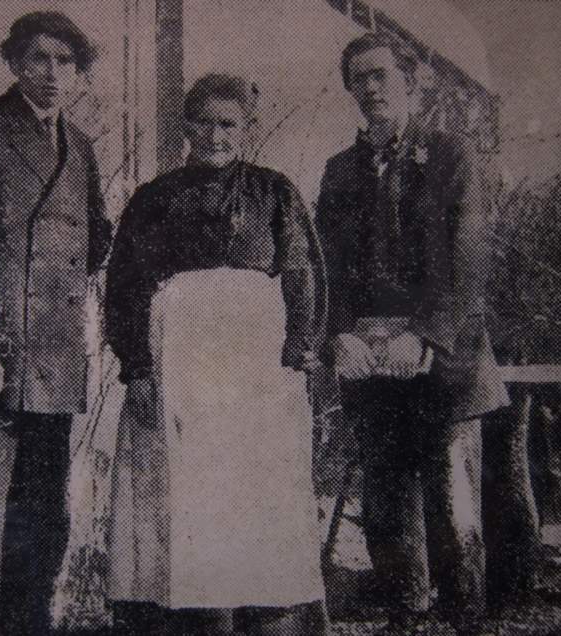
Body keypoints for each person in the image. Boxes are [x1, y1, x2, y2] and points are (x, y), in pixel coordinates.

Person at [105, 73, 328, 636]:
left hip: (257, 365)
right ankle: (200, 613)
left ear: (247, 129)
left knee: (255, 489)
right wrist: (138, 367)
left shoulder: (274, 192)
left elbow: (302, 273)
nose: (215, 135)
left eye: (228, 124)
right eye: (203, 122)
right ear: (186, 126)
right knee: (191, 491)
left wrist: (299, 353)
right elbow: (126, 286)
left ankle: (269, 613)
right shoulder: (154, 198)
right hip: (178, 361)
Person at [315, 33, 510, 636]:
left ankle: (464, 621)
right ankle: (405, 617)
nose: (371, 88)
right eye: (359, 79)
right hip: (370, 362)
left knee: (451, 506)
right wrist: (337, 337)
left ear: (409, 81)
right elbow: (326, 269)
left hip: (443, 361)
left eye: (381, 75)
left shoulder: (453, 156)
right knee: (385, 504)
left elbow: (469, 259)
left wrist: (425, 335)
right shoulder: (340, 170)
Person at [0, 11, 111, 635]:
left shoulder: (81, 146)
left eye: (66, 62)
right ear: (13, 62)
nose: (52, 73)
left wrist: (82, 306)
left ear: (79, 74)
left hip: (56, 352)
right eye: (39, 58)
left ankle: (28, 626)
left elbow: (95, 236)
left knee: (44, 510)